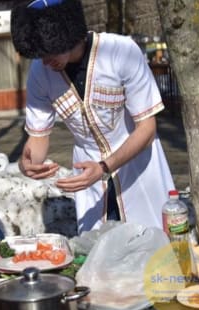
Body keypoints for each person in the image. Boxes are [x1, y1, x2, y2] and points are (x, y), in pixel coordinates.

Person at [10, 0, 175, 234]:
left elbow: (147, 130)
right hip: (88, 177)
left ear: (67, 33)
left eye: (49, 51)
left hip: (138, 169)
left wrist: (104, 167)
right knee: (96, 254)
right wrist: (27, 164)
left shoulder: (121, 51)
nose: (45, 61)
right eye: (39, 54)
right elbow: (38, 137)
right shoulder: (40, 72)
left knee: (153, 249)